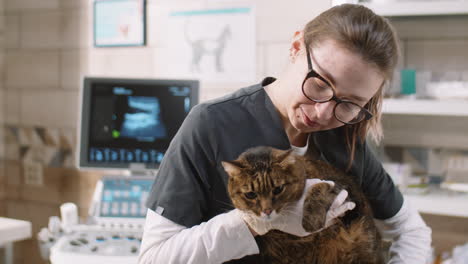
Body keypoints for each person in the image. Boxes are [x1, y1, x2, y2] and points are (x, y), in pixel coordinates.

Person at [138, 4, 432, 264]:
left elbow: (412, 230)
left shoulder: (345, 138)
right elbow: (154, 258)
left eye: (350, 103)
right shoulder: (213, 125)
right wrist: (252, 222)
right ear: (296, 46)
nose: (321, 113)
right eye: (319, 84)